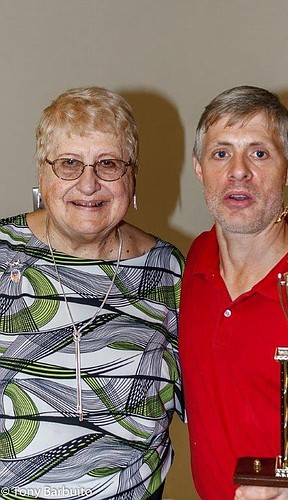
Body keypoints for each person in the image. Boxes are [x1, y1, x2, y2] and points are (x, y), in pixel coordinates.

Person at [0, 86, 184, 499]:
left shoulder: (169, 272)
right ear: (41, 174)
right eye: (69, 163)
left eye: (108, 164)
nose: (88, 184)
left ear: (132, 176)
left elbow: (212, 398)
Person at [179, 85, 288, 499]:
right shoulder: (189, 267)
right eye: (221, 153)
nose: (239, 171)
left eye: (259, 153)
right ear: (199, 168)